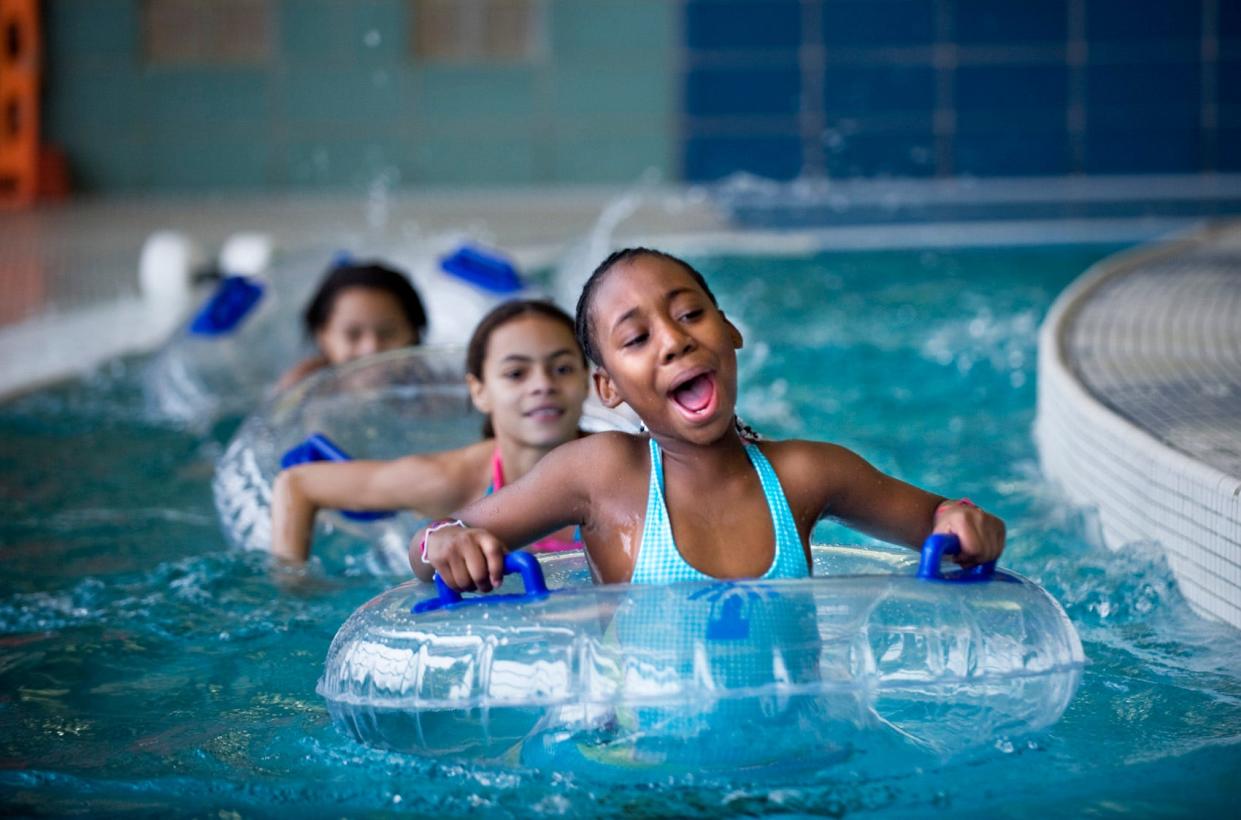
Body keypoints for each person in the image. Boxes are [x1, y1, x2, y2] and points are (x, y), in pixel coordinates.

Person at [411, 247, 1006, 589]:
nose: (673, 341)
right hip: (640, 771)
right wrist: (446, 542)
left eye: (691, 314)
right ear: (608, 387)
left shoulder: (805, 473)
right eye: (637, 337)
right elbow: (434, 543)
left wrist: (963, 522)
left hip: (789, 763)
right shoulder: (598, 475)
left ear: (731, 331)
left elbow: (942, 520)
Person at [271, 299, 589, 564]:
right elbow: (298, 484)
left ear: (588, 380)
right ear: (479, 391)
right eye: (516, 373)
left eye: (562, 369)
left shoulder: (621, 468)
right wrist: (293, 588)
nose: (543, 385)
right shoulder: (455, 480)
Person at [275, 261, 428, 390]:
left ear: (413, 332)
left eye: (387, 332)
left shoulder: (435, 392)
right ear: (322, 336)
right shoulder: (301, 388)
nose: (371, 348)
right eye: (353, 334)